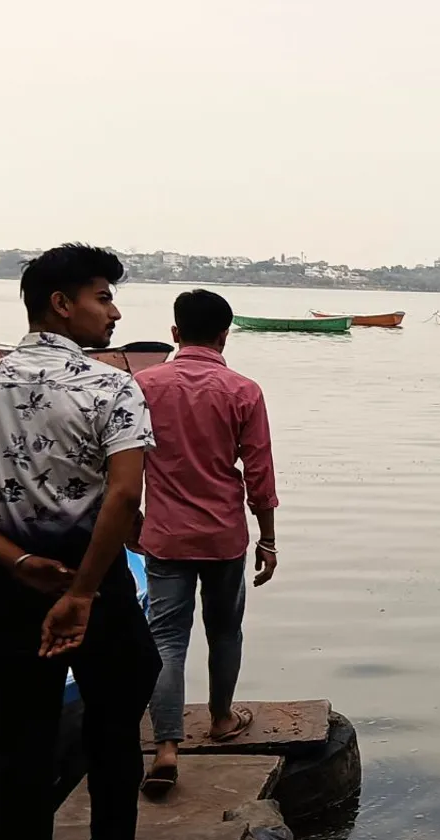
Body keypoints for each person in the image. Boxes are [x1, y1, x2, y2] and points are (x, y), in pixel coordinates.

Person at [0, 243, 161, 840]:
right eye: (103, 297)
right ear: (62, 304)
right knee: (112, 749)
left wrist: (18, 562)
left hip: (10, 590)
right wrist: (80, 592)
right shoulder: (111, 387)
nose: (115, 313)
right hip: (96, 588)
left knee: (19, 755)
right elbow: (124, 497)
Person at [134, 288, 279, 794]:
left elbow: (121, 463)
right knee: (224, 631)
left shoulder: (142, 385)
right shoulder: (242, 390)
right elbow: (259, 471)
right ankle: (220, 719)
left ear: (174, 333)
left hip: (165, 534)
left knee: (166, 640)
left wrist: (131, 520)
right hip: (222, 534)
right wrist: (269, 539)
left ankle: (167, 748)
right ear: (225, 335)